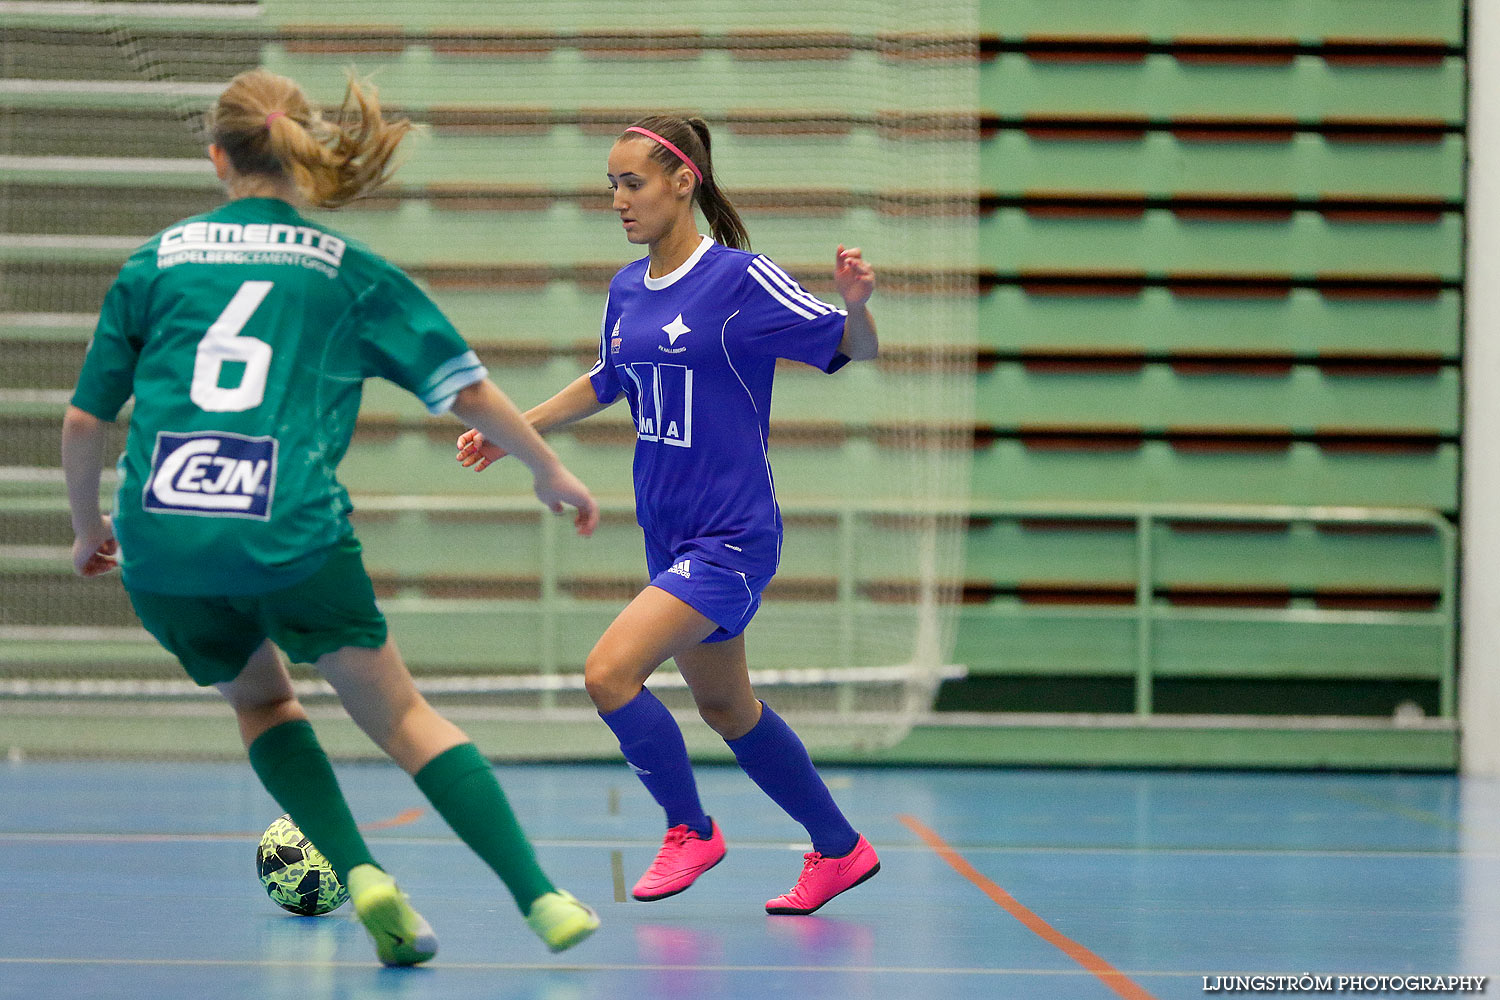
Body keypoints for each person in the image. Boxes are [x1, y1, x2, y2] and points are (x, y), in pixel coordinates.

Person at [62, 68, 602, 966]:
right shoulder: (348, 273)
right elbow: (461, 389)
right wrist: (548, 468)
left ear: (217, 159)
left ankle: (357, 873)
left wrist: (88, 531)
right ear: (302, 156)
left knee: (266, 702)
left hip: (162, 537)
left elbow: (86, 421)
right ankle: (539, 897)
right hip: (290, 529)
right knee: (402, 718)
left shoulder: (153, 264)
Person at [456, 115, 881, 914]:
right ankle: (840, 849)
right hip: (668, 532)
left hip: (731, 537)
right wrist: (515, 432)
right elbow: (608, 379)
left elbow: (854, 350)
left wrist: (857, 307)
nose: (618, 200)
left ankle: (690, 830)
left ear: (682, 182)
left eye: (632, 183)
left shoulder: (741, 281)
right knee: (727, 707)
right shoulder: (626, 289)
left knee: (609, 673)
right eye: (611, 185)